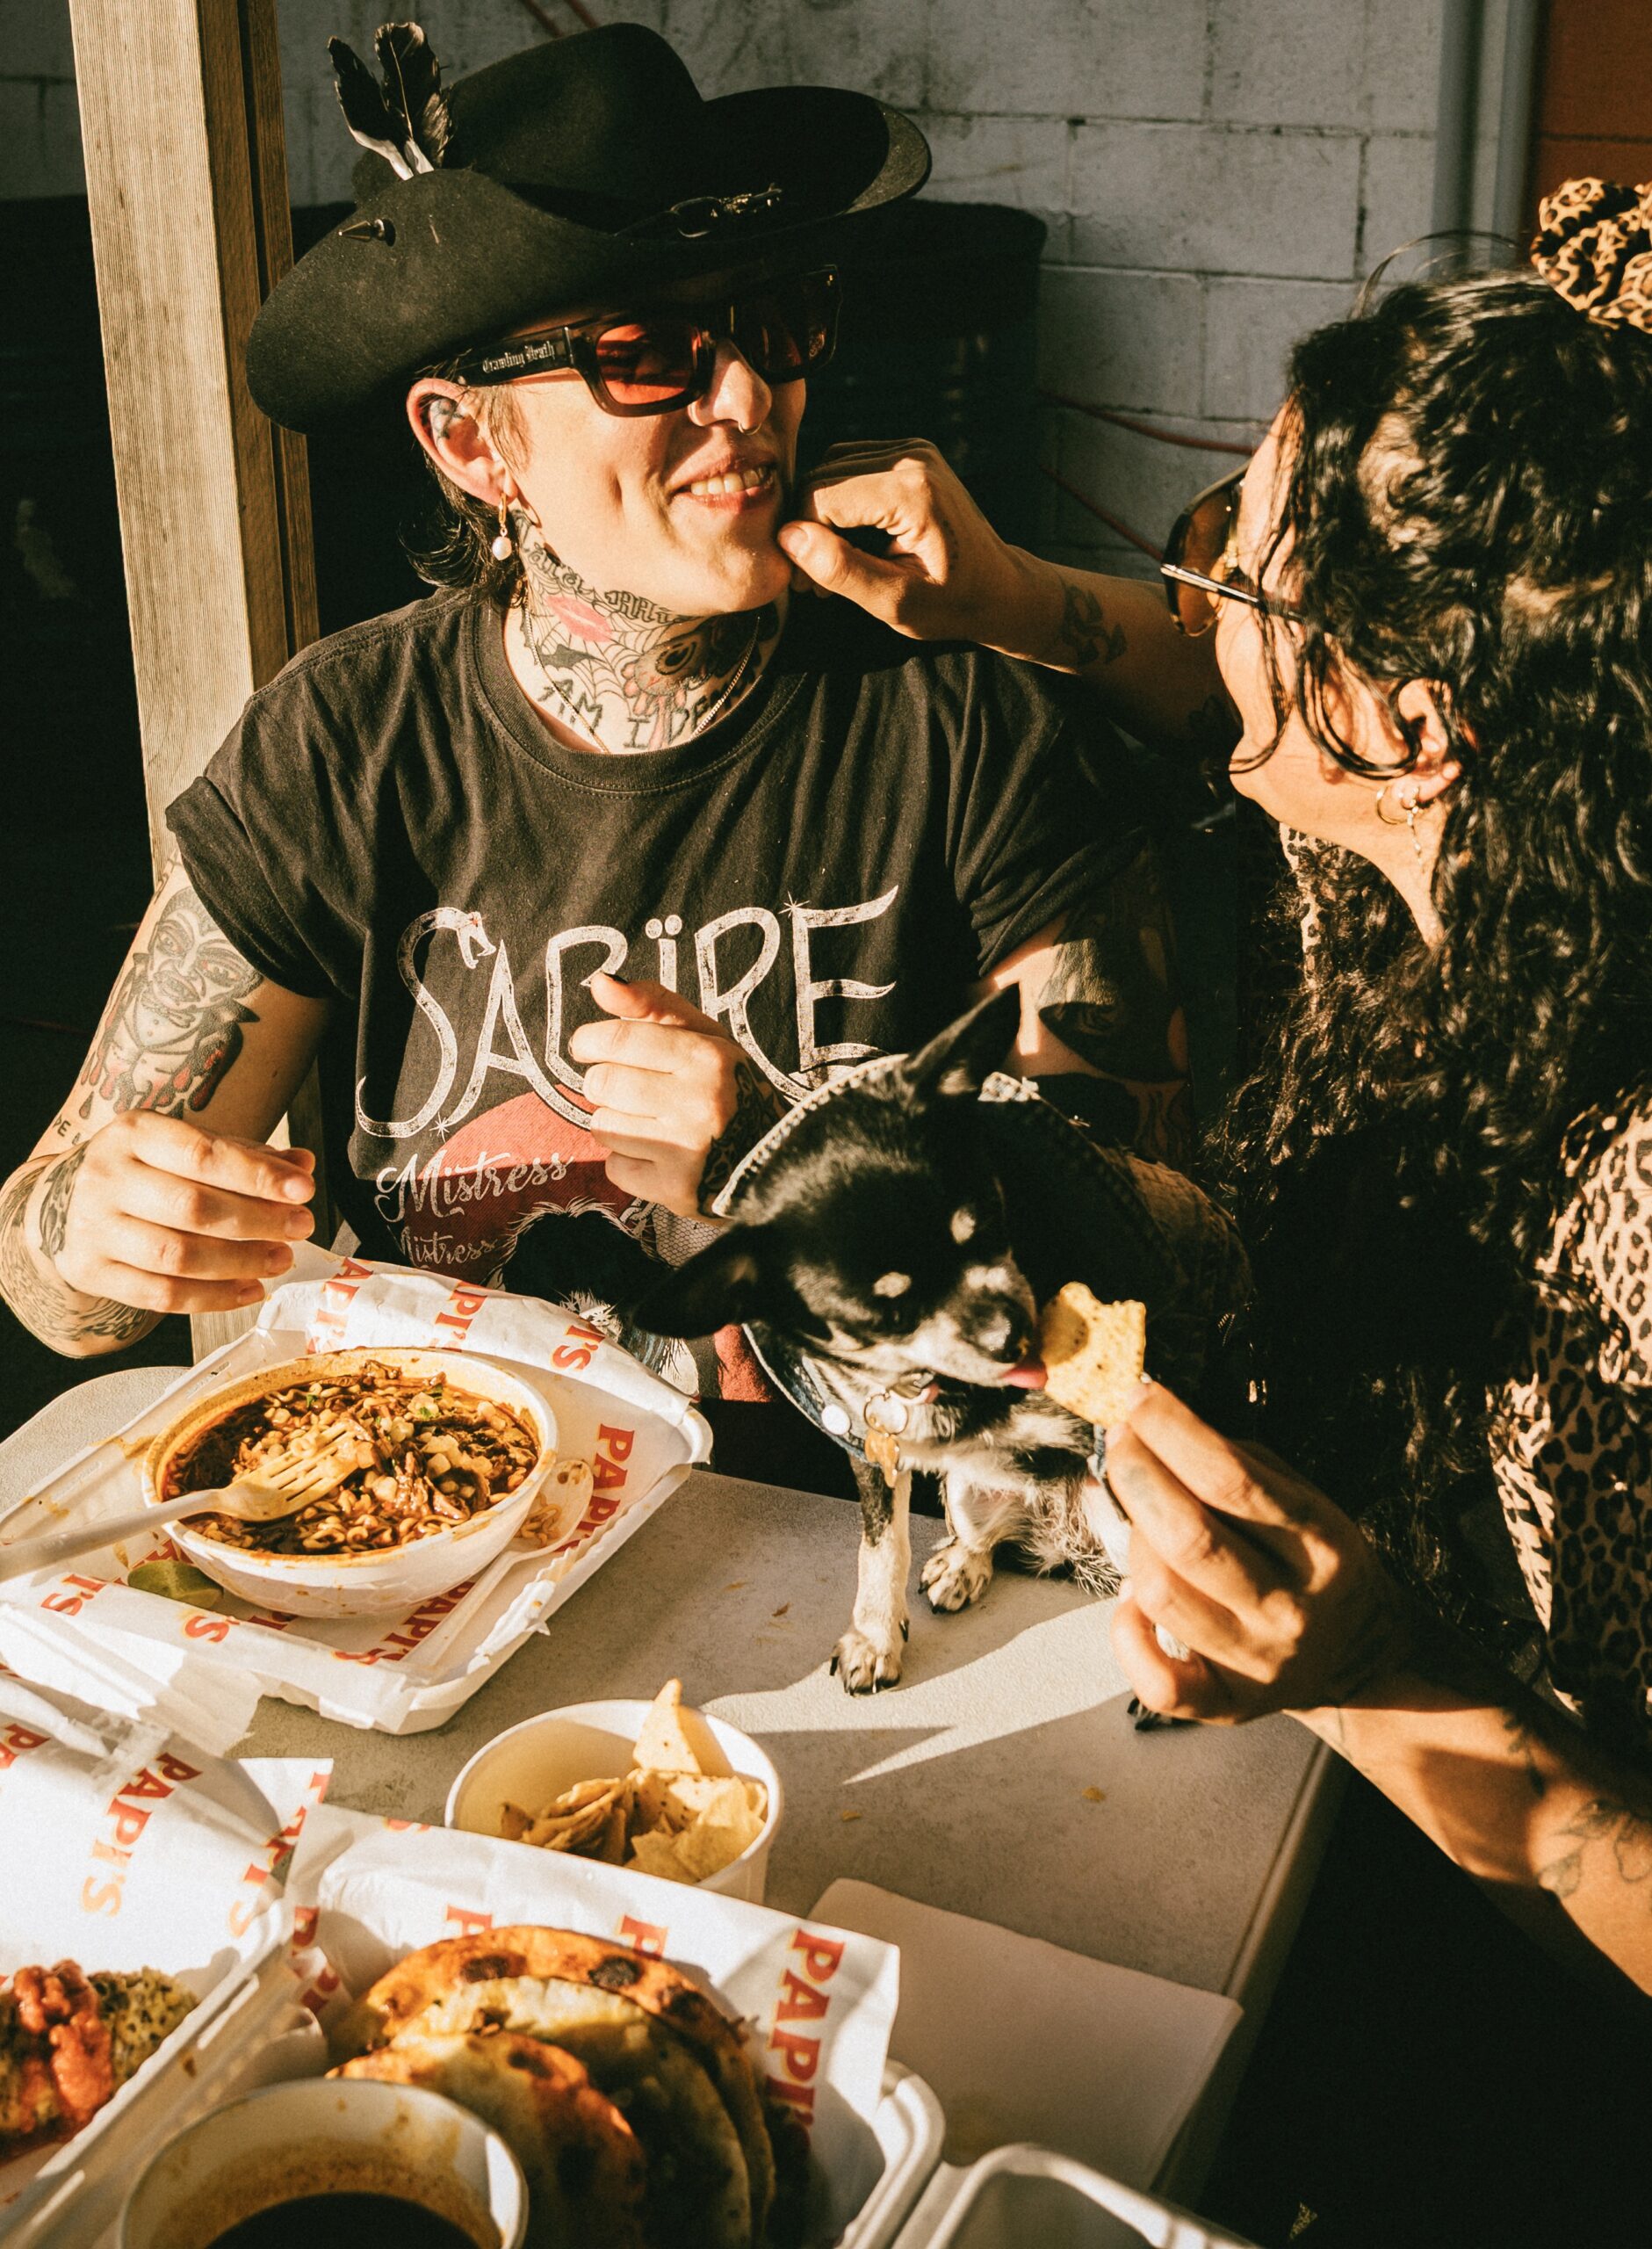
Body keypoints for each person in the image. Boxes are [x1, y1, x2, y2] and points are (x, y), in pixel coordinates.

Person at [0, 23, 1208, 1392]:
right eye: (648, 354)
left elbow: (1150, 1288)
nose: (750, 398)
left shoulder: (956, 711)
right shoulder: (347, 741)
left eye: (778, 322)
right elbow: (59, 1292)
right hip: (456, 1521)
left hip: (851, 1551)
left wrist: (787, 1147)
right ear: (470, 442)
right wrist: (95, 1227)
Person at [783, 180, 1652, 1990]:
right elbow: (1221, 691)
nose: (1188, 600)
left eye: (1227, 568)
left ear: (1408, 723)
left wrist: (1391, 1675)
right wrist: (1006, 596)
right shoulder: (1462, 842)